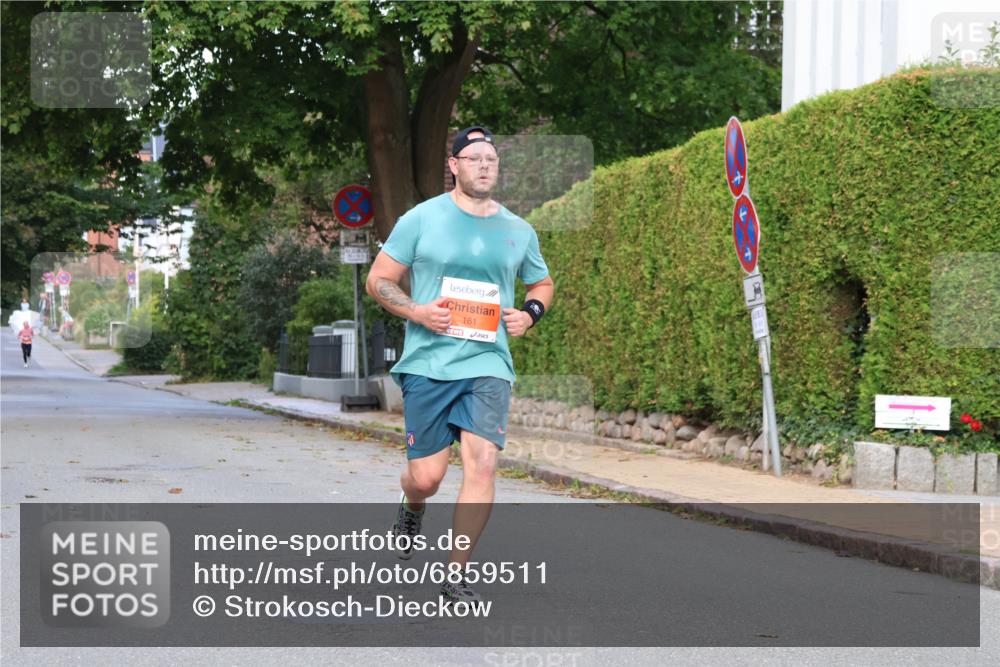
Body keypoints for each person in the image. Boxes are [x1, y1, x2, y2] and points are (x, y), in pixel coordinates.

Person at [366, 126, 555, 606]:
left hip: (488, 362)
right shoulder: (421, 219)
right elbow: (379, 280)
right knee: (427, 477)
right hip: (429, 362)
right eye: (474, 158)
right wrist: (417, 311)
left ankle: (456, 575)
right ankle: (412, 506)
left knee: (483, 465)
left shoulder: (518, 229)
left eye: (491, 158)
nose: (484, 165)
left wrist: (529, 314)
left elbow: (542, 283)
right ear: (454, 165)